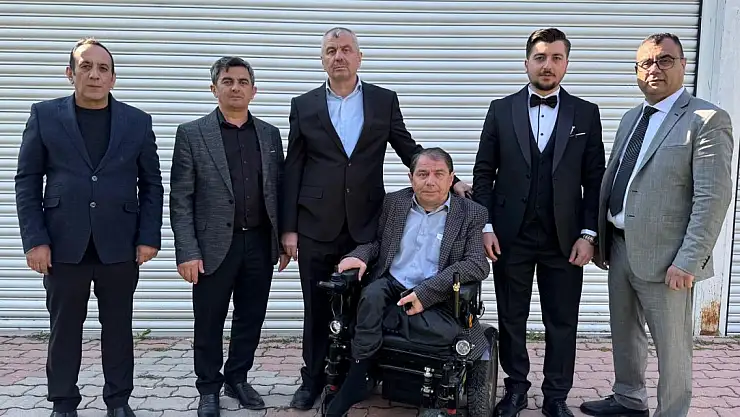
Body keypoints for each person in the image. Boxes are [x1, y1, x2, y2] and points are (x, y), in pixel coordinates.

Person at [280, 26, 472, 409]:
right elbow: (293, 168)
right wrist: (288, 229)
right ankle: (313, 379)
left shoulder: (384, 101)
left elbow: (406, 147)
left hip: (367, 224)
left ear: (359, 57)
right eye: (331, 50)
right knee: (317, 307)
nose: (339, 56)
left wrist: (448, 181)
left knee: (364, 303)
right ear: (322, 58)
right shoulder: (303, 105)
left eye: (346, 49)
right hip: (315, 223)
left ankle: (356, 375)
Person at [579, 33, 734, 417]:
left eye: (664, 60)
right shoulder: (632, 117)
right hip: (619, 246)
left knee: (672, 347)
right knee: (625, 333)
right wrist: (600, 237)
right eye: (646, 63)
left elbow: (712, 198)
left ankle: (672, 412)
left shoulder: (706, 120)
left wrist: (689, 260)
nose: (654, 69)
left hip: (669, 259)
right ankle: (629, 399)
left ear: (683, 65)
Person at [14, 38, 163, 417]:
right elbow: (27, 180)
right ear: (70, 73)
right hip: (63, 244)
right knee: (64, 328)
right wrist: (35, 240)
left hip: (120, 243)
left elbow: (151, 184)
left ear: (113, 78)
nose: (94, 74)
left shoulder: (137, 121)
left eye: (103, 68)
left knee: (119, 328)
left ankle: (119, 401)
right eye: (86, 66)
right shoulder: (45, 116)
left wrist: (148, 236)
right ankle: (63, 403)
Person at [472, 28, 606, 417]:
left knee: (562, 321)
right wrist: (485, 226)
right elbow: (484, 173)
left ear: (566, 64)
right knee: (511, 318)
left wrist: (589, 234)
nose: (548, 65)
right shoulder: (500, 109)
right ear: (527, 62)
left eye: (556, 58)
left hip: (564, 238)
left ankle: (556, 397)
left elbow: (594, 179)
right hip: (510, 235)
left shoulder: (586, 113)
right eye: (541, 57)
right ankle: (515, 390)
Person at [324, 148, 490, 416]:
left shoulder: (471, 213)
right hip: (392, 282)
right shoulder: (395, 203)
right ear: (411, 177)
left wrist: (425, 293)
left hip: (437, 292)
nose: (430, 181)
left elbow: (477, 264)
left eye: (439, 174)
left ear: (451, 179)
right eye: (422, 174)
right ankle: (358, 375)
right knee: (371, 295)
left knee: (445, 332)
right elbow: (376, 242)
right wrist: (359, 256)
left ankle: (390, 323)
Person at [169, 57, 289, 417]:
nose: (235, 87)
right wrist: (187, 251)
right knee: (209, 320)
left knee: (251, 317)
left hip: (259, 243)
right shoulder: (192, 134)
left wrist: (283, 238)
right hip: (212, 247)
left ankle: (237, 378)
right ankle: (208, 387)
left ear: (254, 90)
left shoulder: (269, 135)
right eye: (227, 81)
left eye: (242, 81)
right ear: (214, 88)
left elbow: (279, 189)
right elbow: (181, 198)